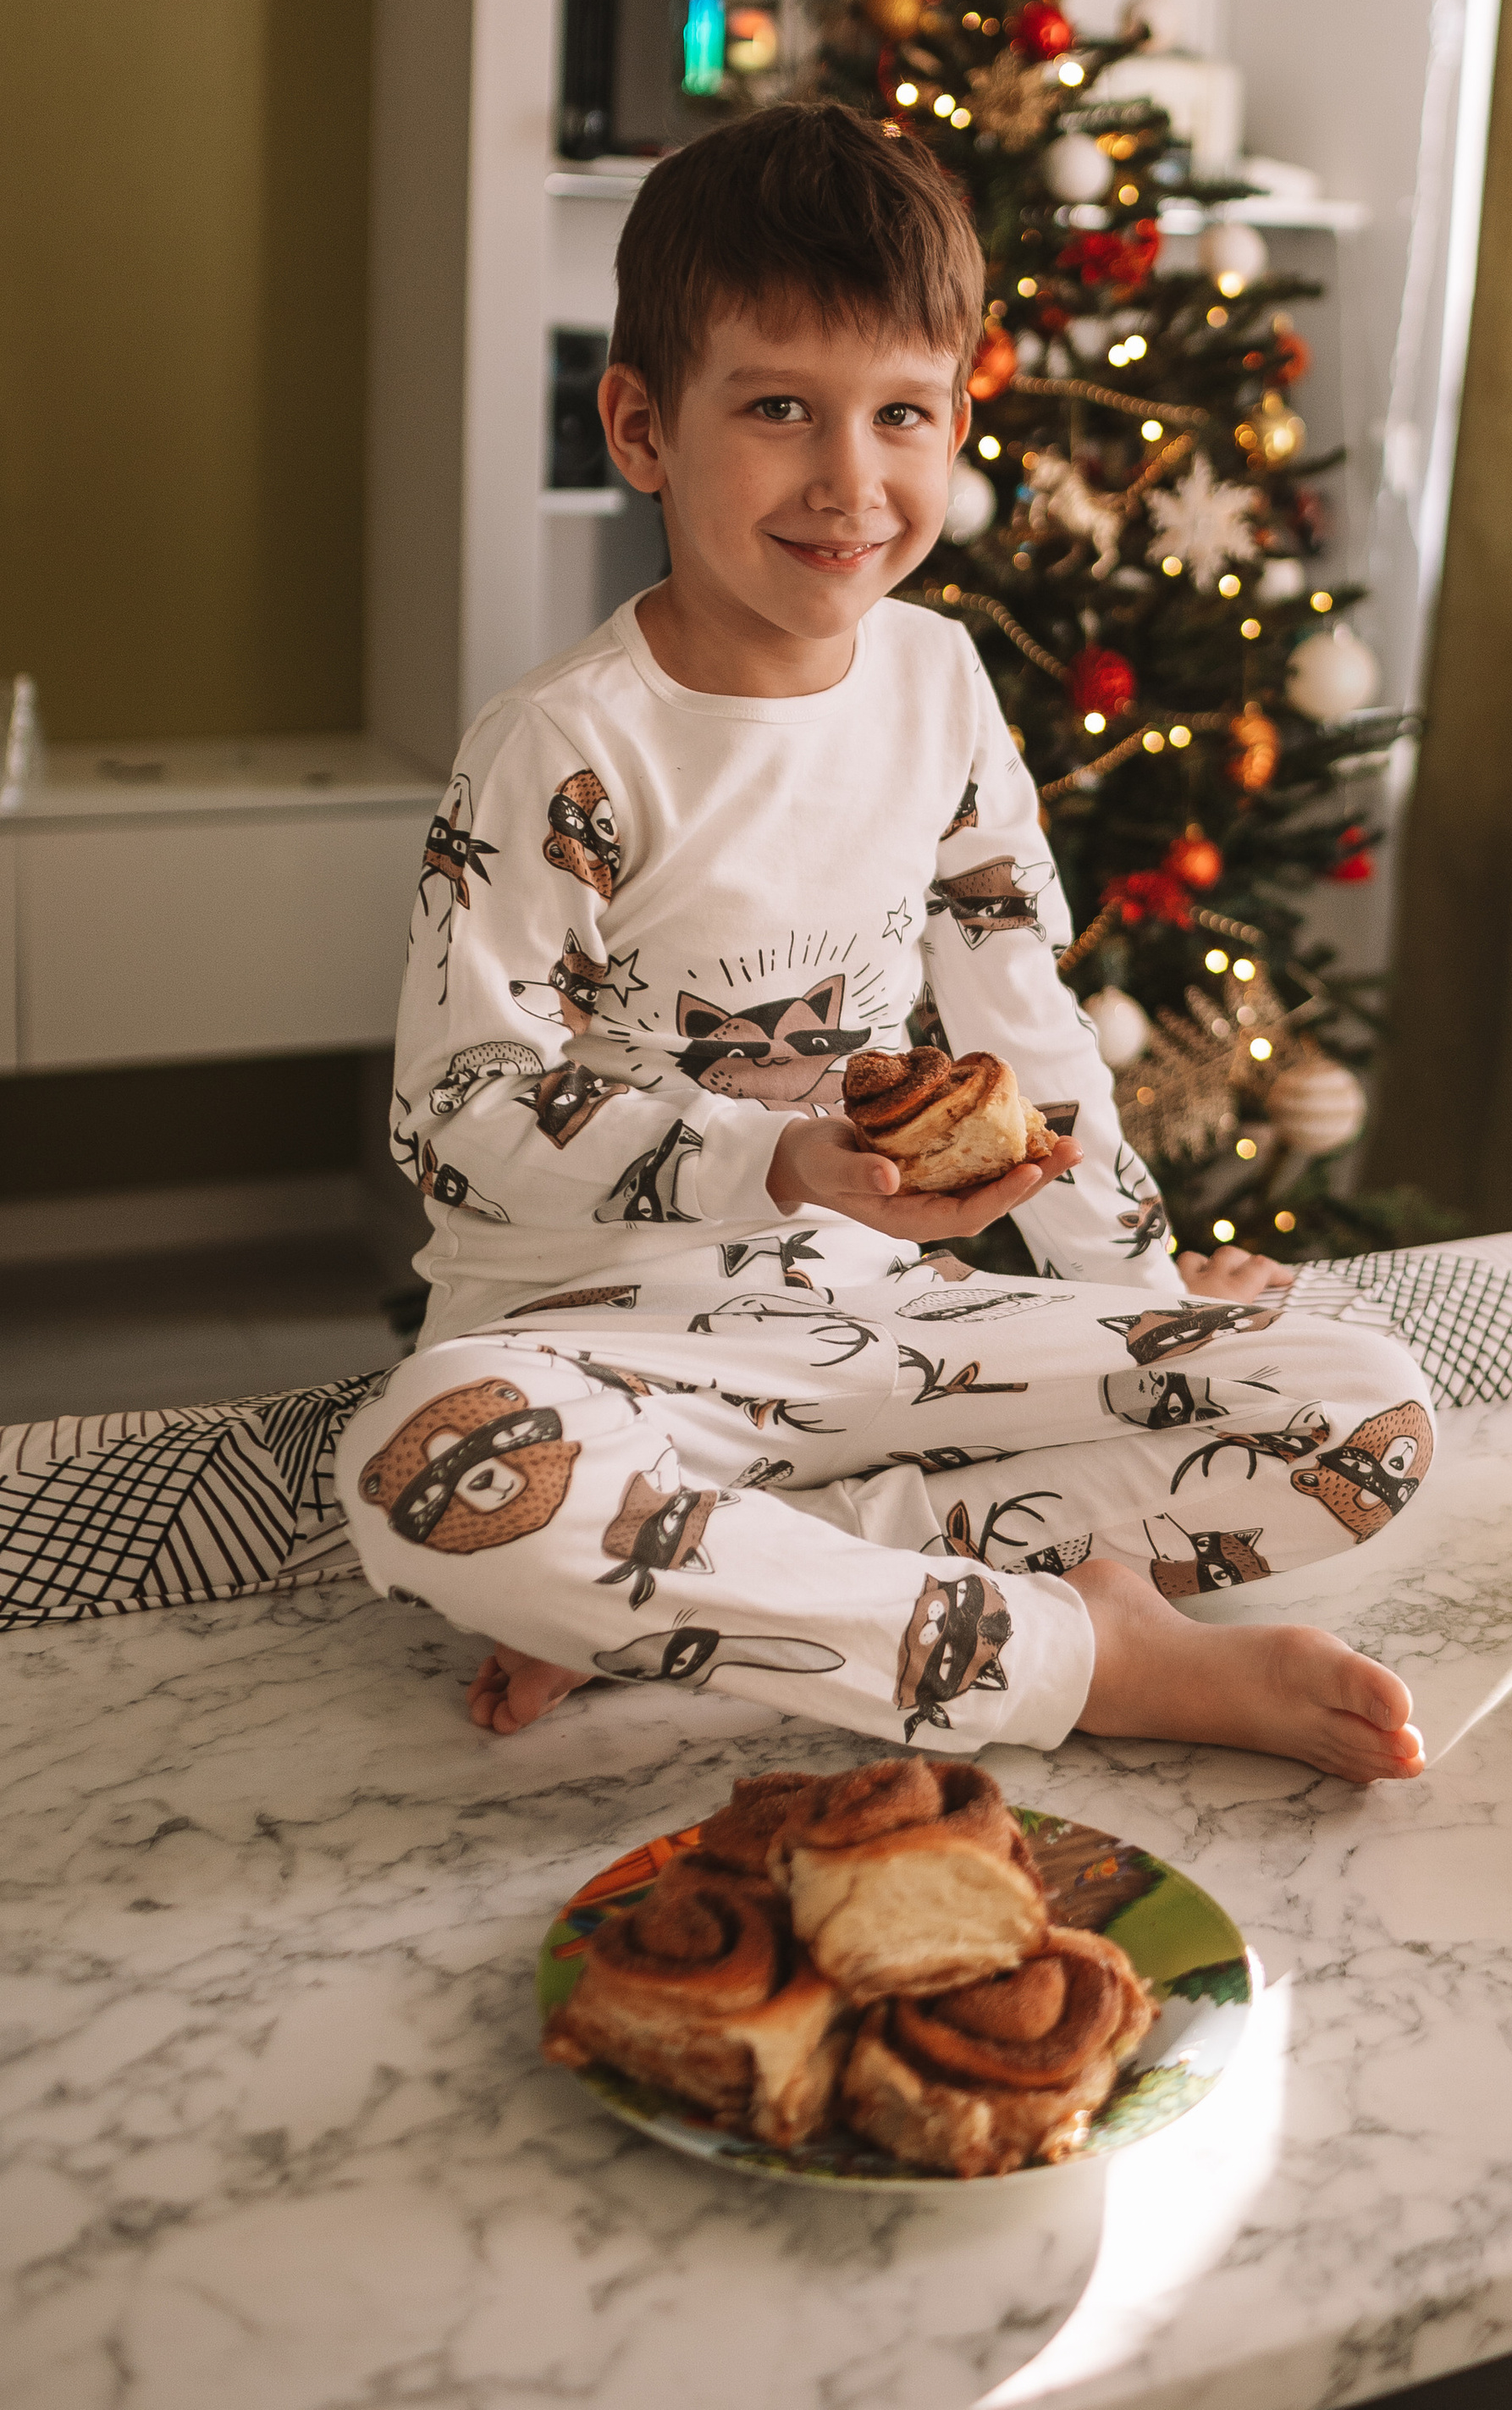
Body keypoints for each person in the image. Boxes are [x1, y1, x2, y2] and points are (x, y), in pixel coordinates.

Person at [336, 103, 1429, 1784]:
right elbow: (462, 1119)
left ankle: (705, 1592)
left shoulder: (940, 684)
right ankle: (1076, 1651)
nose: (850, 481)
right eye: (777, 409)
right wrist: (780, 1163)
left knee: (1360, 1403)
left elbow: (1022, 1019)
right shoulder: (560, 747)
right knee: (426, 1467)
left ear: (955, 423)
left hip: (874, 1325)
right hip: (601, 1343)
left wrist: (1132, 1293)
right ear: (642, 425)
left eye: (900, 415)